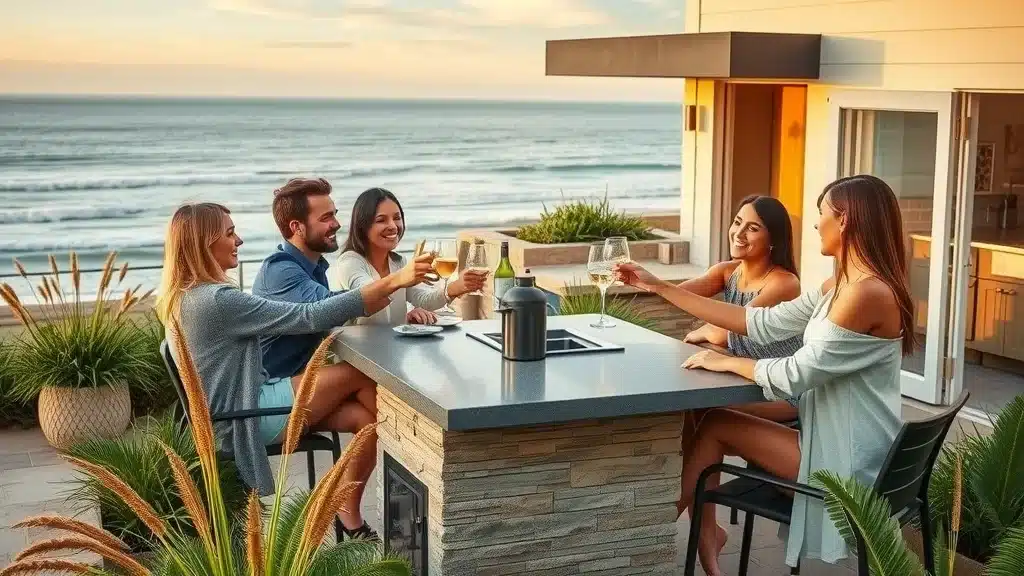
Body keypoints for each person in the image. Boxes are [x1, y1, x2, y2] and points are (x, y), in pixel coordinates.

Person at [615, 174, 911, 575]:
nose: (815, 224)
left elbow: (796, 374)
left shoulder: (864, 294)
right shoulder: (839, 285)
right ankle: (660, 530)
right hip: (836, 441)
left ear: (844, 221)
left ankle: (644, 533)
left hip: (847, 464)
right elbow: (760, 323)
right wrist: (659, 286)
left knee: (716, 422)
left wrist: (728, 361)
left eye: (821, 214)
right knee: (712, 420)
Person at [156, 202, 435, 540]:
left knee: (365, 420)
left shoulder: (182, 297)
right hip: (246, 418)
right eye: (230, 234)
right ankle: (421, 464)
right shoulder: (216, 301)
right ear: (204, 243)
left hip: (234, 413)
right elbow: (308, 316)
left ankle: (350, 504)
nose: (239, 240)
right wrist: (396, 281)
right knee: (362, 376)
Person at [679, 195, 802, 452]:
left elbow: (729, 331)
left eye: (753, 228)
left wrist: (706, 331)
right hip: (746, 383)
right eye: (737, 222)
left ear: (773, 240)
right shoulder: (727, 272)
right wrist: (644, 281)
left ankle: (695, 491)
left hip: (784, 393)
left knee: (704, 408)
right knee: (694, 408)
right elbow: (678, 295)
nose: (739, 233)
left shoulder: (784, 284)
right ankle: (696, 490)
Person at [333, 187, 487, 325]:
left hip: (393, 349)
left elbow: (424, 300)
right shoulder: (350, 261)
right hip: (357, 353)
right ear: (363, 226)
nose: (393, 226)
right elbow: (368, 296)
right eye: (381, 220)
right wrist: (402, 279)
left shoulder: (398, 262)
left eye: (397, 218)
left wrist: (456, 287)